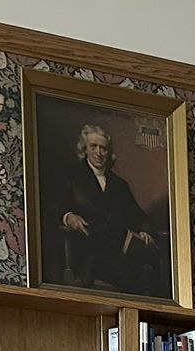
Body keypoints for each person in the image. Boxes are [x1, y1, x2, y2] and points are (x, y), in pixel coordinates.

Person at [54, 122, 166, 296]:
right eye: (93, 147)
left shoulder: (119, 185)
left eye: (103, 148)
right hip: (90, 255)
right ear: (84, 148)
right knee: (139, 275)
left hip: (121, 252)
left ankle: (147, 316)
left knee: (148, 269)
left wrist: (143, 230)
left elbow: (139, 216)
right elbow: (54, 207)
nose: (99, 153)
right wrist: (68, 216)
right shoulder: (72, 177)